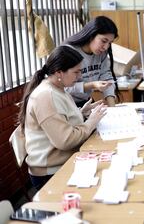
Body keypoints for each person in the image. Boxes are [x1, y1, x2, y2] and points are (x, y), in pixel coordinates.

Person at [18, 45, 107, 190]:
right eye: (76, 72)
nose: (80, 77)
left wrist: (81, 113)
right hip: (51, 171)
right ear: (59, 72)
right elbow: (65, 141)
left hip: (62, 162)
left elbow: (60, 117)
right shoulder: (46, 95)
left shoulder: (57, 88)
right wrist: (90, 123)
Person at [64, 16, 119, 107]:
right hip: (66, 105)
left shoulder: (102, 53)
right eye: (104, 41)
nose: (106, 47)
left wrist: (112, 108)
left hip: (86, 102)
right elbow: (65, 87)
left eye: (109, 43)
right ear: (91, 35)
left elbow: (106, 77)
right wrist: (92, 85)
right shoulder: (69, 52)